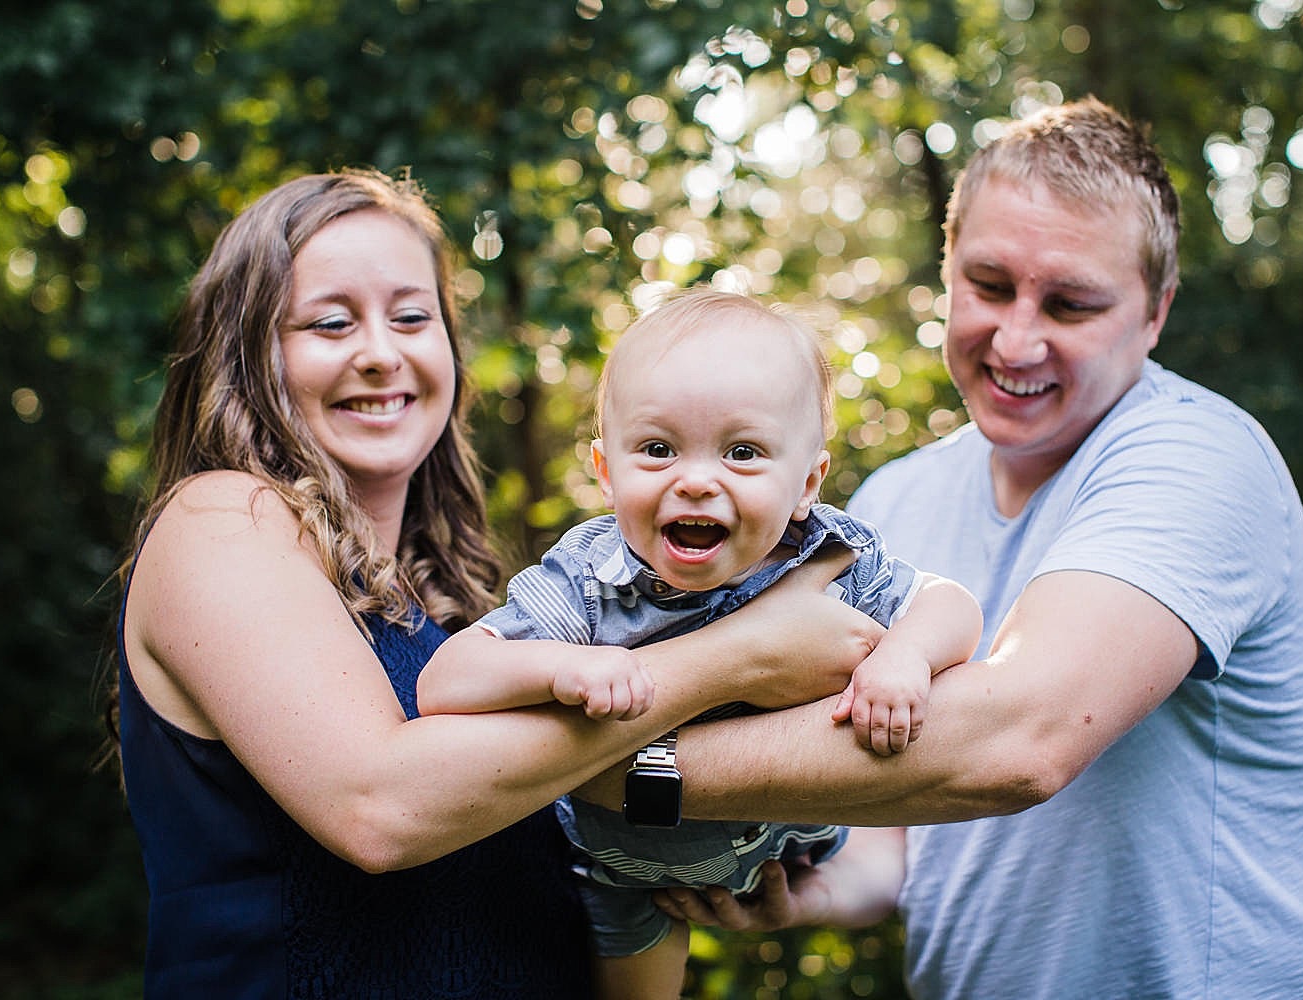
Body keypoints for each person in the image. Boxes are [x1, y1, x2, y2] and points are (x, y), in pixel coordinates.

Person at [621, 97, 1303, 998]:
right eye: (990, 285)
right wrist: (804, 892)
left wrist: (625, 773)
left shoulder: (1197, 459)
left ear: (1157, 312)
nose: (1016, 339)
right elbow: (890, 851)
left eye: (1071, 303)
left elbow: (1021, 740)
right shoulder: (895, 499)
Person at [106, 169, 882, 998]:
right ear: (250, 354)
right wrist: (738, 658)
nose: (381, 353)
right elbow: (379, 807)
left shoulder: (465, 618)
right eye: (331, 323)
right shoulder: (222, 518)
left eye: (413, 317)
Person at [417, 287, 982, 1000]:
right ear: (606, 470)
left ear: (807, 482)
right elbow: (445, 683)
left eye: (742, 453)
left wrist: (907, 656)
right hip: (629, 874)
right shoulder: (588, 580)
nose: (695, 480)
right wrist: (566, 665)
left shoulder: (826, 559)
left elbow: (951, 606)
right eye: (657, 449)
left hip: (793, 853)